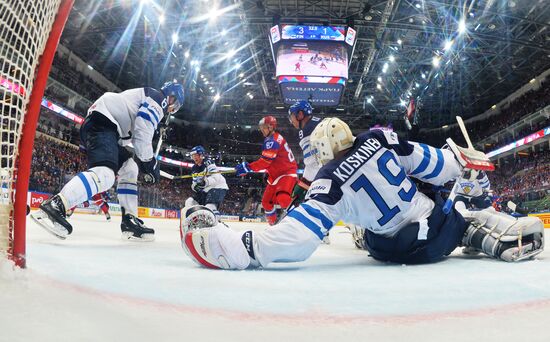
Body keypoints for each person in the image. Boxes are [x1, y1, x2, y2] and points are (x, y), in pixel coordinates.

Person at [182, 117, 544, 269]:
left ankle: (471, 229)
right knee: (459, 215)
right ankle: (492, 231)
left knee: (361, 224)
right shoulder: (380, 139)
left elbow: (301, 236)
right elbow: (436, 167)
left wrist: (250, 247)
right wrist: (458, 158)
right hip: (433, 232)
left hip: (390, 249)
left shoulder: (328, 178)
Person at [31, 81, 185, 241]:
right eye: (175, 106)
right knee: (105, 175)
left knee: (130, 167)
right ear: (172, 97)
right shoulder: (159, 98)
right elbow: (143, 129)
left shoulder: (145, 97)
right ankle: (57, 204)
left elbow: (134, 133)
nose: (171, 110)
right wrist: (150, 162)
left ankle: (129, 221)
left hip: (107, 127)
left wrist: (145, 161)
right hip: (104, 124)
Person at [235, 116, 298, 225]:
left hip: (286, 173)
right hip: (275, 175)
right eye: (261, 127)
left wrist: (248, 167)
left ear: (271, 127)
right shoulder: (271, 139)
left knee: (283, 198)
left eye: (264, 127)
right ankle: (274, 226)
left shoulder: (272, 141)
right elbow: (270, 162)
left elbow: (265, 162)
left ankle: (301, 224)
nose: (261, 130)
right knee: (266, 203)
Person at [287, 100, 322, 207]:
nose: (291, 121)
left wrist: (303, 184)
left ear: (300, 114)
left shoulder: (306, 130)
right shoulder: (320, 121)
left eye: (291, 116)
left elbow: (313, 163)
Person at [184, 145, 229, 218]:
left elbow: (215, 178)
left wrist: (204, 182)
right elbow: (195, 183)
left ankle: (216, 223)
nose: (194, 157)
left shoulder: (208, 162)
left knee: (210, 206)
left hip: (217, 187)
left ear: (201, 155)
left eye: (196, 155)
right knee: (190, 202)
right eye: (192, 156)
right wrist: (195, 187)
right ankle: (195, 221)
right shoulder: (194, 168)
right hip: (206, 190)